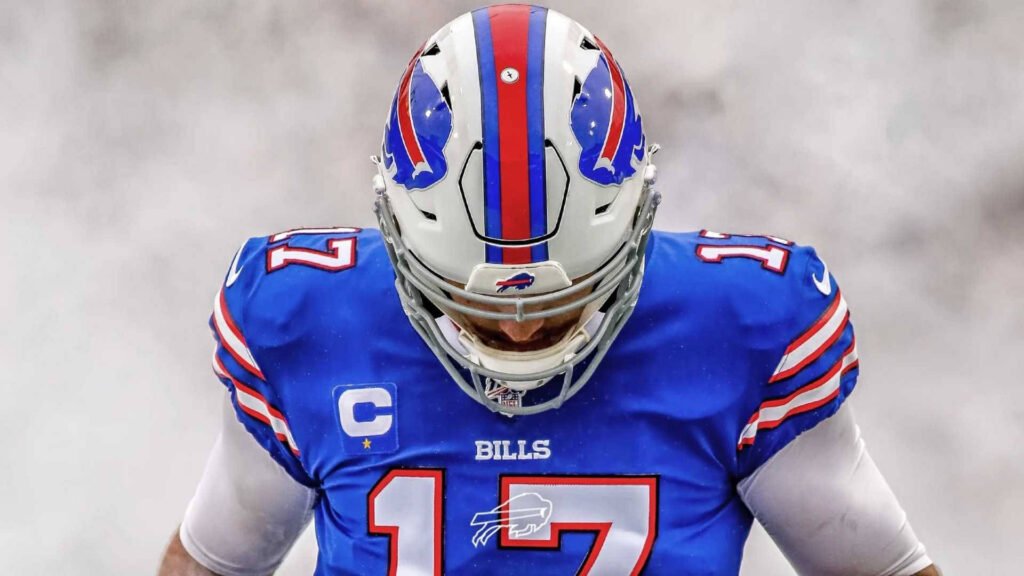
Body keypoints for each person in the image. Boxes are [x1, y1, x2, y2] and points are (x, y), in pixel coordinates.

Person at [159, 5, 940, 575]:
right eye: (479, 307)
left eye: (564, 302)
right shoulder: (306, 326)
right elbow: (217, 560)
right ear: (397, 238)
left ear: (636, 225)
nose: (523, 333)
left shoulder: (744, 335)